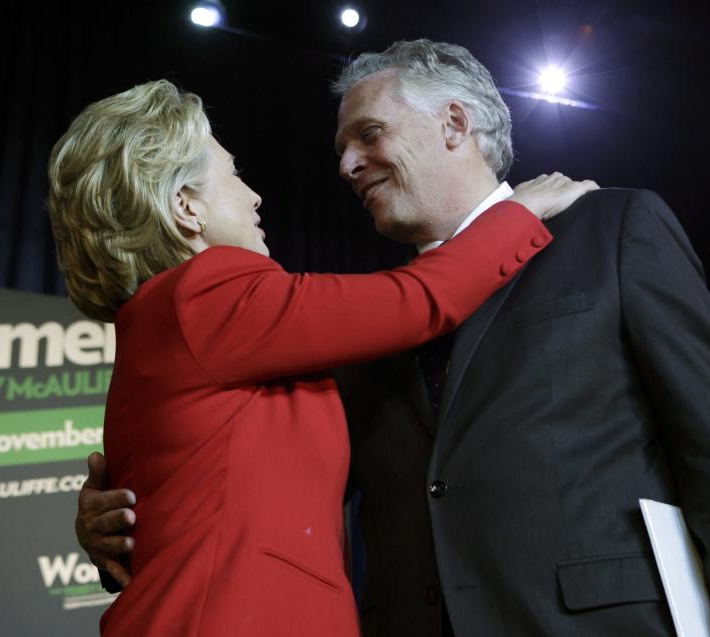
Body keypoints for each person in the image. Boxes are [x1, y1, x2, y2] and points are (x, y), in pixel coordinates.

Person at [76, 41, 710, 637]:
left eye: (368, 135)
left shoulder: (615, 230)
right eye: (340, 148)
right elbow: (259, 476)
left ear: (453, 122)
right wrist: (122, 522)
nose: (346, 165)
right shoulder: (361, 325)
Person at [49, 78, 594, 636]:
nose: (253, 195)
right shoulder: (205, 293)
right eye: (232, 174)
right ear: (186, 207)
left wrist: (108, 526)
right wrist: (519, 211)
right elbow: (414, 301)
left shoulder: (161, 324)